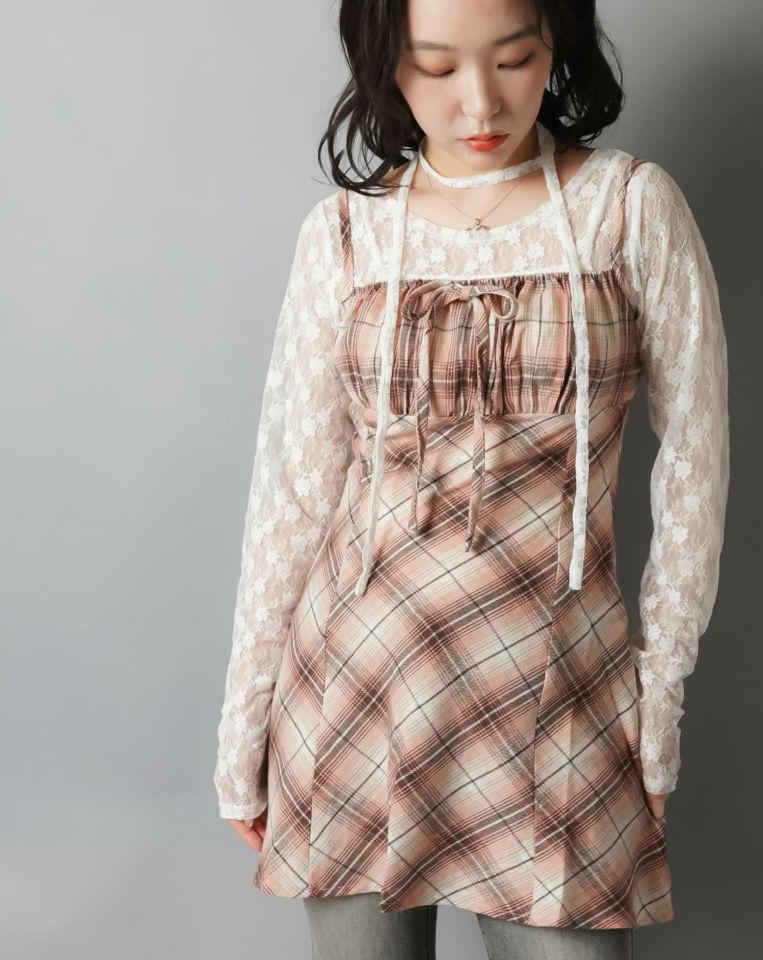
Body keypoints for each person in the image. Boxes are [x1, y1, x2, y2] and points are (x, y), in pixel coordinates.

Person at [213, 0, 730, 956]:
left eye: (514, 58)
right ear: (385, 65)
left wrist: (658, 704)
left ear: (556, 46)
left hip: (559, 693)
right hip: (356, 687)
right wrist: (242, 726)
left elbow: (696, 463)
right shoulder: (347, 233)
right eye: (437, 67)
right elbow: (293, 492)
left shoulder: (627, 208)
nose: (480, 102)